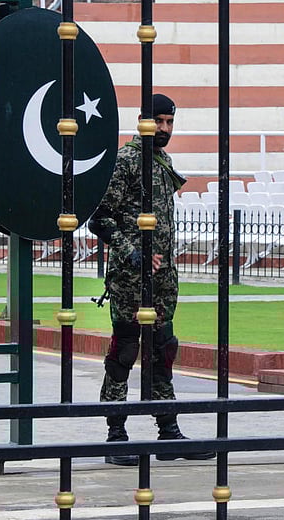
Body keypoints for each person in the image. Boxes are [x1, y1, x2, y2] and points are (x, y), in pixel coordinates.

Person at [89, 93, 215, 466]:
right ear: (142, 120)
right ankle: (116, 434)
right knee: (125, 351)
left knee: (163, 350)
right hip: (130, 276)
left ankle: (168, 432)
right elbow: (100, 218)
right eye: (157, 122)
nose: (163, 129)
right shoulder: (126, 160)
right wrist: (133, 252)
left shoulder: (162, 161)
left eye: (169, 122)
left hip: (163, 279)